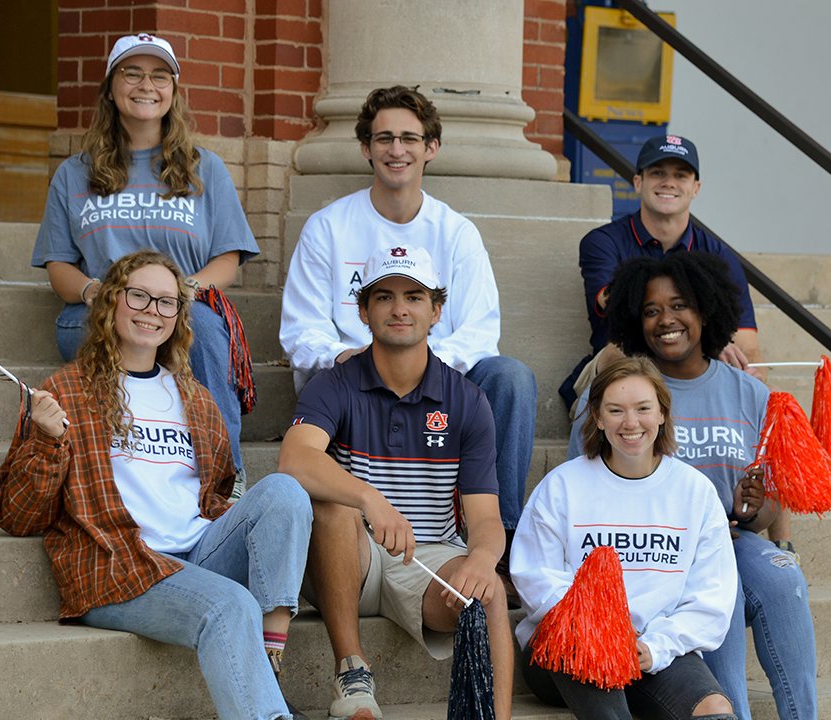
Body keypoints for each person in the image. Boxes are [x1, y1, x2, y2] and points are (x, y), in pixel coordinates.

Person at [0, 251, 312, 720]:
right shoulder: (65, 392)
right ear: (111, 303)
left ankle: (269, 653)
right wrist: (47, 442)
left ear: (179, 317)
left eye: (167, 303)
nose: (152, 311)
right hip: (121, 567)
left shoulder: (196, 399)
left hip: (199, 555)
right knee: (229, 606)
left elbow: (218, 489)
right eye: (138, 296)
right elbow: (17, 517)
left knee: (285, 491)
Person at [280, 86, 537, 597]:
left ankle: (494, 549)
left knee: (512, 378)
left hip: (440, 379)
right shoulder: (328, 227)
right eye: (384, 138)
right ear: (366, 148)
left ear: (431, 148)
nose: (397, 149)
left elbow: (481, 331)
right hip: (350, 381)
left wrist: (419, 365)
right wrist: (344, 356)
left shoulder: (455, 232)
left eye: (409, 138)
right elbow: (300, 330)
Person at [277, 245, 513, 720]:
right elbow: (294, 460)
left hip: (427, 558)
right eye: (383, 297)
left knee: (488, 594)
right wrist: (369, 498)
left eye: (414, 296)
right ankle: (353, 675)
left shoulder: (466, 401)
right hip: (349, 555)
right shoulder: (335, 383)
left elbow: (486, 517)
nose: (400, 308)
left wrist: (483, 560)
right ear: (363, 311)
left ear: (436, 310)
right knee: (332, 502)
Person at [600, 252, 818, 720]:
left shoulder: (749, 393)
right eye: (651, 310)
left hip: (731, 536)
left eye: (679, 305)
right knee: (724, 590)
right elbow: (600, 490)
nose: (666, 320)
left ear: (705, 311)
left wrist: (750, 509)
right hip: (658, 552)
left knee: (784, 577)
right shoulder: (627, 394)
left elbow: (757, 515)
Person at [31, 33, 259, 479]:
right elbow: (58, 265)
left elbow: (227, 258)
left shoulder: (203, 167)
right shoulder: (74, 173)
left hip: (178, 309)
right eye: (131, 72)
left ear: (173, 90)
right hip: (99, 310)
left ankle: (226, 475)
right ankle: (108, 473)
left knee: (208, 335)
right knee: (102, 334)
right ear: (111, 87)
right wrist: (94, 291)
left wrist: (184, 292)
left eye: (159, 75)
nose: (145, 85)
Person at [566, 134, 792, 548]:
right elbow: (622, 317)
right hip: (618, 360)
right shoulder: (603, 241)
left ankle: (779, 537)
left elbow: (745, 342)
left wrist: (715, 340)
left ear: (696, 188)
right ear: (637, 182)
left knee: (758, 384)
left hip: (694, 363)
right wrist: (680, 317)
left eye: (680, 174)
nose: (669, 182)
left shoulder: (718, 253)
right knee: (629, 351)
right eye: (658, 172)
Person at [511, 357, 740, 720]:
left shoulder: (694, 491)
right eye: (615, 410)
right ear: (598, 418)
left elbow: (711, 596)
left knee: (715, 709)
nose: (630, 423)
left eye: (643, 409)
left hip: (652, 647)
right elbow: (534, 575)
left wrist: (656, 646)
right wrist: (600, 631)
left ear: (663, 414)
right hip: (571, 645)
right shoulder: (563, 486)